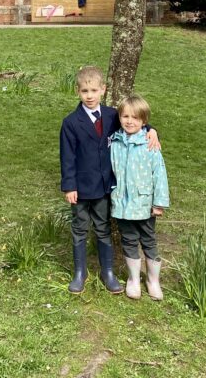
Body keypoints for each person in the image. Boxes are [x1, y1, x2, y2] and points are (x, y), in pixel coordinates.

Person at [59, 66, 159, 295]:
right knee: (79, 229)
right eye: (85, 91)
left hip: (104, 187)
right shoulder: (71, 122)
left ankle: (108, 272)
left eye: (94, 90)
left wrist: (152, 131)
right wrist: (69, 186)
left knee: (103, 229)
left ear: (103, 90)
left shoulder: (113, 115)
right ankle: (80, 272)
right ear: (78, 92)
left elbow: (133, 122)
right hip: (81, 189)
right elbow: (67, 157)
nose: (90, 95)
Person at [110, 94, 170, 300]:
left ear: (144, 121)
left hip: (144, 205)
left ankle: (153, 280)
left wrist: (159, 203)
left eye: (135, 118)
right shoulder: (115, 142)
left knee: (149, 240)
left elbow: (159, 174)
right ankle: (133, 279)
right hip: (122, 204)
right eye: (125, 116)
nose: (129, 121)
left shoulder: (149, 144)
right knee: (128, 240)